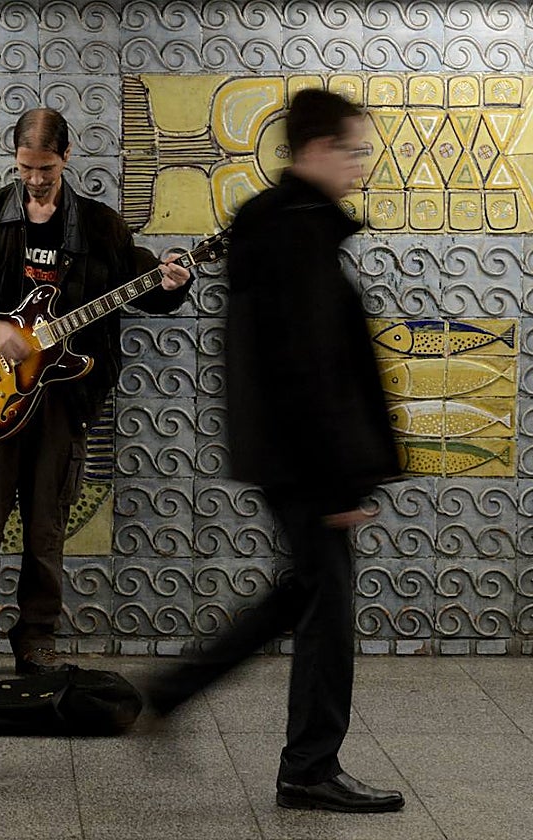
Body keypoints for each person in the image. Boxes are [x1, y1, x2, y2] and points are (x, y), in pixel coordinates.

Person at [142, 88, 405, 813]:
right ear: (318, 149)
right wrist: (343, 482)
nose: (360, 166)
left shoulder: (287, 225)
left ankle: (171, 693)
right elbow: (310, 367)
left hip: (291, 457)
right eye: (353, 151)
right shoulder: (294, 232)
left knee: (303, 594)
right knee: (326, 607)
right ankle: (309, 768)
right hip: (308, 464)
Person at [0, 108, 192, 682]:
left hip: (63, 405)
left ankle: (36, 641)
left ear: (67, 158)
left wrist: (174, 282)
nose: (35, 179)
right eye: (25, 167)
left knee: (46, 530)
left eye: (45, 167)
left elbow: (147, 290)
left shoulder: (100, 227)